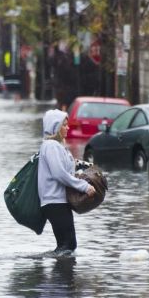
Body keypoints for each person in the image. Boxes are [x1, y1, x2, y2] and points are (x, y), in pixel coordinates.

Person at [38, 109, 95, 256]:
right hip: (55, 201)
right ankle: (56, 275)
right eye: (64, 125)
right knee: (67, 246)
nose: (67, 128)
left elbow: (64, 170)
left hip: (58, 202)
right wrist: (84, 186)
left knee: (67, 246)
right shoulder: (51, 146)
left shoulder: (56, 146)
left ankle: (62, 276)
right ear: (55, 127)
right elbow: (59, 174)